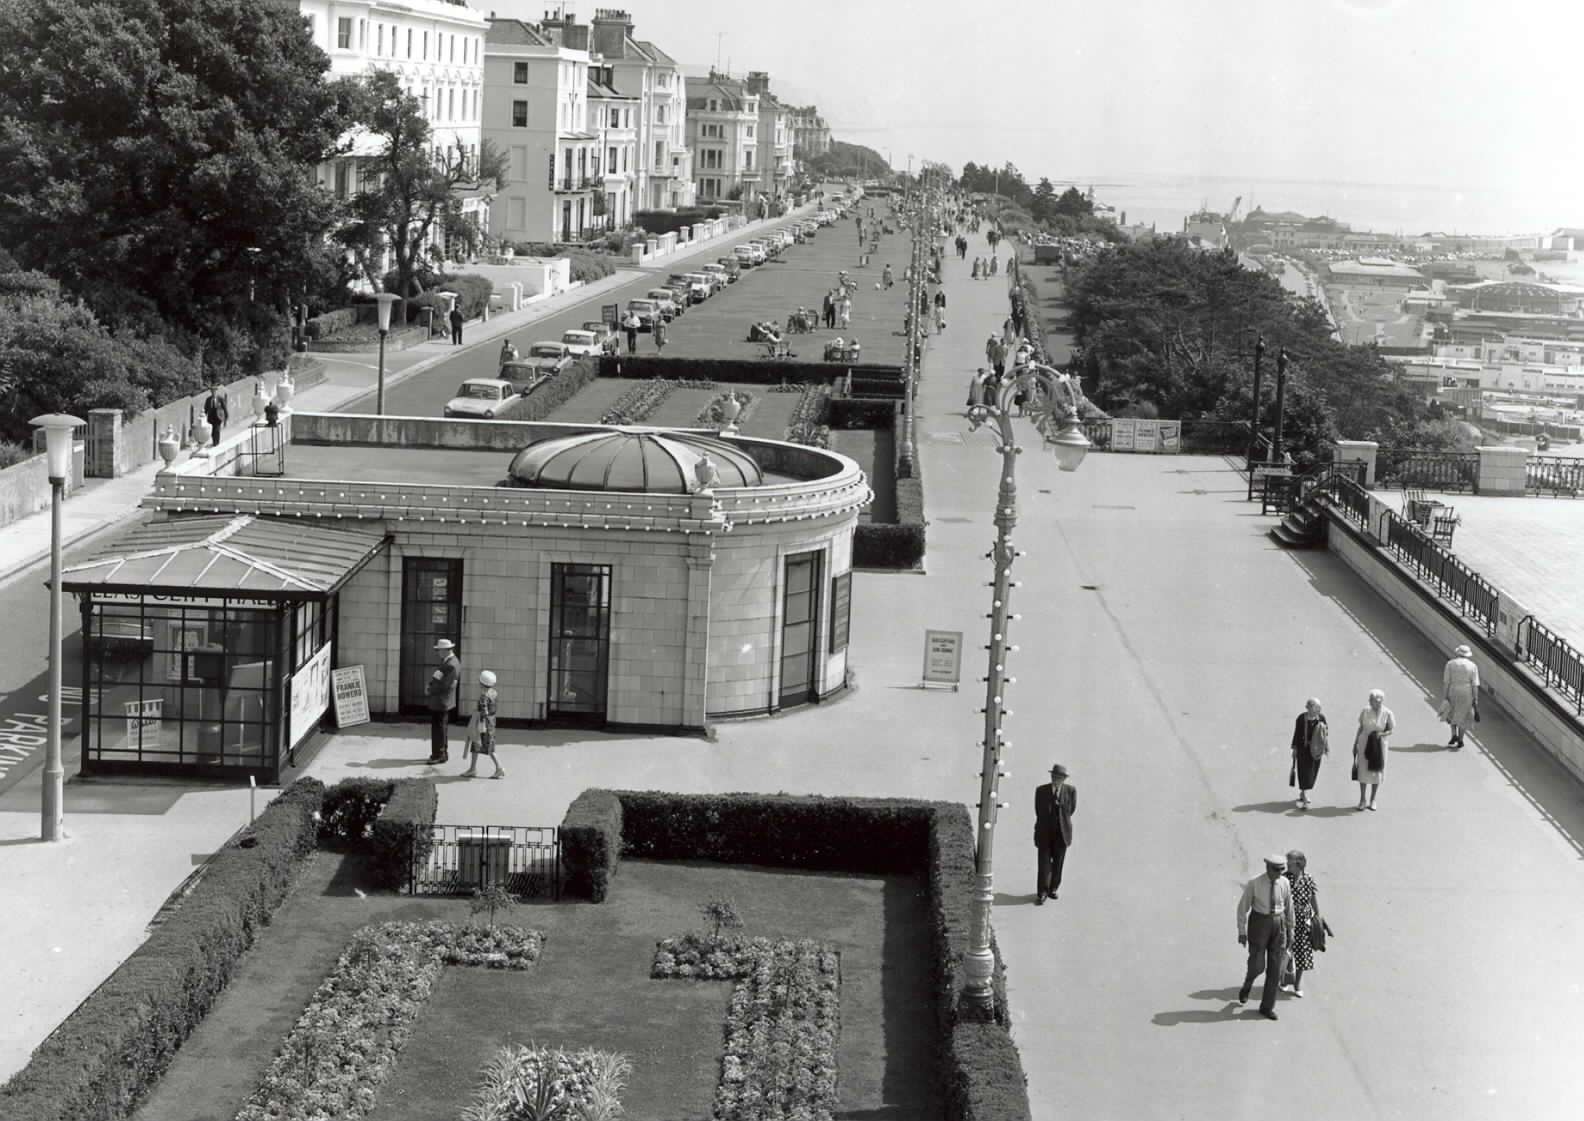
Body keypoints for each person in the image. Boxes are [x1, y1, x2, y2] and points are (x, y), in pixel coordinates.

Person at [1237, 854, 1294, 1020]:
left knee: (1275, 968)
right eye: (1276, 870)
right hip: (1259, 923)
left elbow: (1288, 907)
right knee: (1257, 964)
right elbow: (1242, 908)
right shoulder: (1254, 883)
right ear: (1267, 868)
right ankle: (1248, 983)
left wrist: (1290, 929)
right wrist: (1242, 931)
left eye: (1282, 870)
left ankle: (1267, 1007)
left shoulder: (1284, 883)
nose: (1279, 873)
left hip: (1279, 924)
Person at [1281, 850, 1328, 998]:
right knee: (1287, 952)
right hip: (1288, 920)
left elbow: (1313, 900)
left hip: (1304, 921)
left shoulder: (1308, 879)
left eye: (1289, 862)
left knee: (1302, 953)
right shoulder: (1284, 878)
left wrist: (1318, 918)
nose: (1287, 864)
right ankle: (1285, 979)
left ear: (1299, 864)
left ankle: (1297, 985)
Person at [1033, 764, 1077, 904]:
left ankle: (1053, 889)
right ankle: (1042, 892)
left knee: (1058, 864)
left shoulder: (1071, 791)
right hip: (1045, 833)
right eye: (1054, 776)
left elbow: (1071, 810)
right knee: (1044, 864)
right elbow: (1038, 811)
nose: (1056, 779)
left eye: (1059, 777)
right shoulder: (1041, 791)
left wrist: (1060, 810)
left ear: (1064, 779)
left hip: (1062, 833)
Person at [1352, 688, 1395, 810]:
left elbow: (1391, 730)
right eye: (1370, 699)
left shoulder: (1387, 713)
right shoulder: (1365, 711)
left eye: (1372, 700)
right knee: (1363, 770)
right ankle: (1362, 799)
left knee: (1377, 772)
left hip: (1380, 745)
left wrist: (1381, 734)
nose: (1369, 701)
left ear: (1379, 701)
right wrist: (1355, 744)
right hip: (1364, 742)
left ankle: (1373, 799)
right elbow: (1360, 728)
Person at [462, 669, 504, 779]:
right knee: (477, 745)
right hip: (491, 722)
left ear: (481, 683)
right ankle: (472, 769)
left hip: (483, 725)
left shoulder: (483, 696)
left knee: (487, 747)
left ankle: (499, 768)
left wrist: (479, 714)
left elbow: (484, 711)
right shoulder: (494, 693)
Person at [1290, 698, 1329, 810]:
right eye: (1316, 707)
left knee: (1312, 772)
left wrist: (1325, 747)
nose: (1319, 709)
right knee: (1303, 772)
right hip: (1303, 749)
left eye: (1319, 707)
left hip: (1316, 750)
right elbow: (1296, 734)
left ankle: (1303, 792)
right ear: (1309, 707)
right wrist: (1294, 749)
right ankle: (1305, 795)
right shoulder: (1301, 718)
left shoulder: (1321, 718)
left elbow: (1326, 733)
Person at [426, 639, 460, 764]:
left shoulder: (450, 664)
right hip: (443, 700)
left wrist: (430, 689)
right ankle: (442, 753)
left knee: (438, 729)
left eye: (439, 650)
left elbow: (445, 685)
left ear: (446, 650)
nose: (438, 652)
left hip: (441, 701)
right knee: (441, 728)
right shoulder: (451, 662)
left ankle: (438, 754)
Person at [1441, 644, 1480, 749]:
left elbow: (1446, 682)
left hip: (1453, 689)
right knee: (1464, 716)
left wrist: (1445, 696)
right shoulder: (1473, 666)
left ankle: (1454, 734)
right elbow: (1475, 684)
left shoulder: (1450, 664)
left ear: (1458, 653)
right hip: (1467, 692)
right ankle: (1461, 740)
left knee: (1452, 712)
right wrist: (1475, 698)